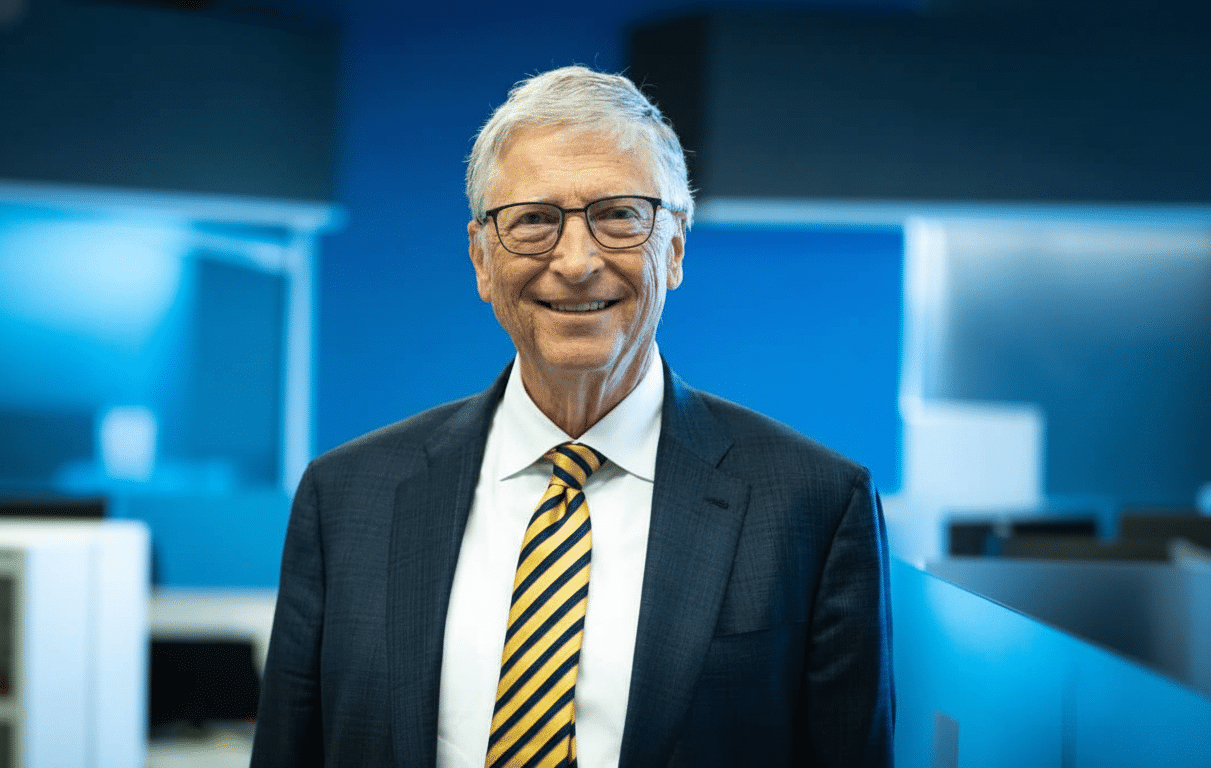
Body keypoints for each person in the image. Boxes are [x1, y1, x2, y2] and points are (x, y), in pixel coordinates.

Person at [251, 65, 894, 768]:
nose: (578, 261)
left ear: (674, 248)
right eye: (533, 221)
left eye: (619, 215)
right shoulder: (344, 497)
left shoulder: (815, 504)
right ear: (480, 260)